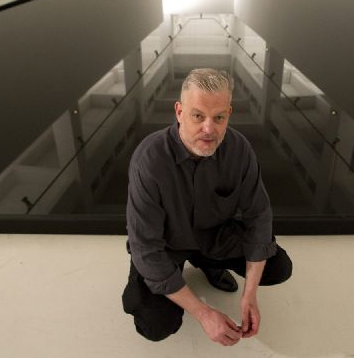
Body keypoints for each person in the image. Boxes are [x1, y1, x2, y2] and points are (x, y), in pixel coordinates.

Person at [122, 68, 292, 346]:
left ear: (229, 114)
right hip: (167, 246)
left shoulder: (239, 150)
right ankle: (178, 273)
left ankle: (208, 264)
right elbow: (146, 248)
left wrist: (250, 295)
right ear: (179, 112)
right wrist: (203, 313)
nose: (209, 129)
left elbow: (259, 217)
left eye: (219, 117)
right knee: (155, 325)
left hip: (215, 239)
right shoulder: (149, 160)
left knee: (278, 267)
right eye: (198, 116)